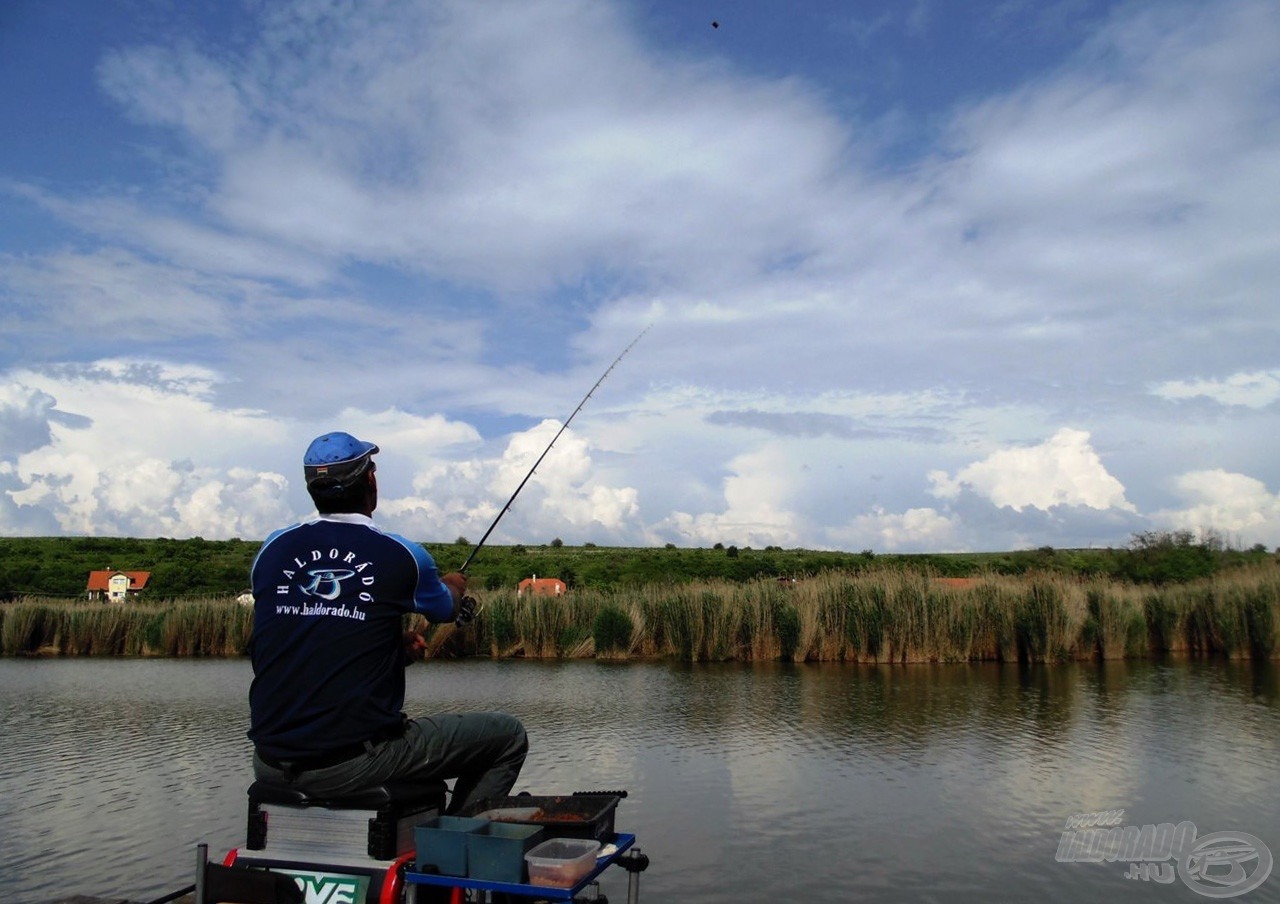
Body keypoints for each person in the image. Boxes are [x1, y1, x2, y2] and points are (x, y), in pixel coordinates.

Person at [248, 431, 527, 814]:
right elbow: (446, 609)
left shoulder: (271, 550)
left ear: (312, 487)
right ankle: (452, 851)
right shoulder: (401, 555)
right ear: (370, 482)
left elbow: (308, 641)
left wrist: (394, 654)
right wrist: (454, 584)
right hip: (354, 762)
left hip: (269, 763)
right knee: (508, 736)